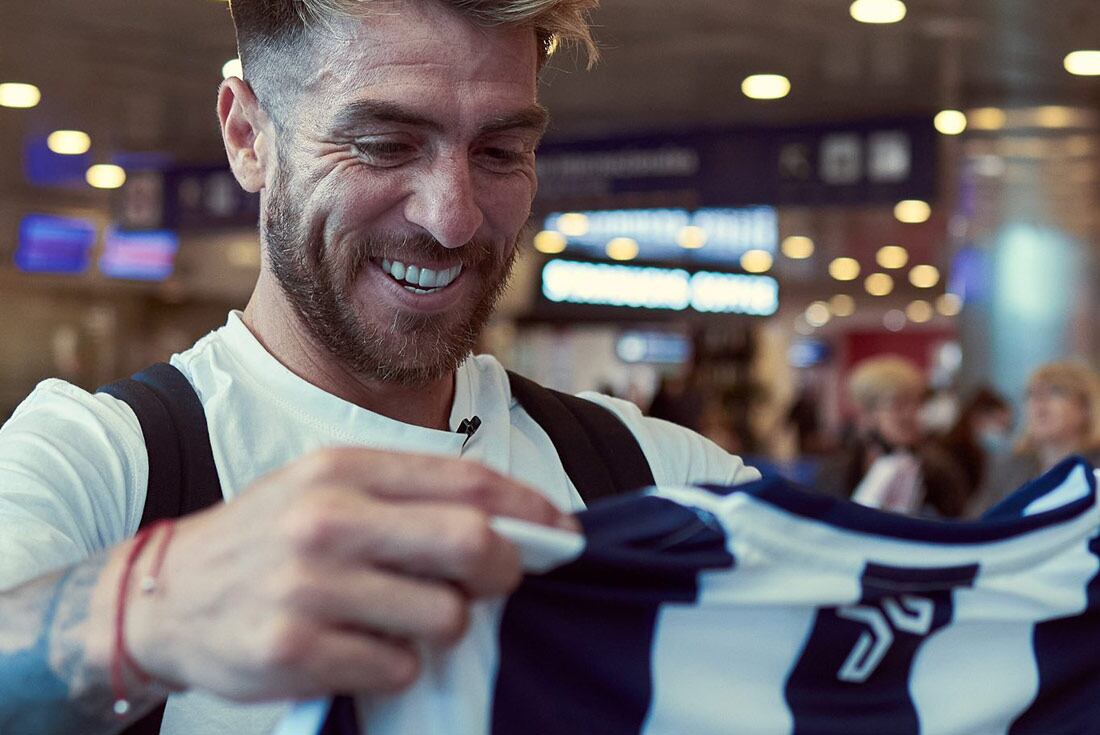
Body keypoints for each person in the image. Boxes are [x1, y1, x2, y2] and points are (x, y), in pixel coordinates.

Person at [0, 2, 759, 734]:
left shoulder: (661, 482)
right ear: (247, 134)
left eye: (500, 153)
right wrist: (150, 612)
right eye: (383, 144)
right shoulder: (99, 466)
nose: (451, 216)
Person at [816, 355, 969, 518]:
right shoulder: (839, 468)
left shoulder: (940, 468)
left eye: (916, 403)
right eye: (898, 404)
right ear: (868, 413)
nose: (911, 414)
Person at [970, 361, 1100, 516]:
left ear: (1086, 408)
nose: (1039, 400)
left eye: (1055, 391)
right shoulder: (1008, 468)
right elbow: (974, 526)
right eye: (1031, 393)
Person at [933, 386, 1013, 504]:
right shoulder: (948, 456)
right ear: (976, 418)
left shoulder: (980, 457)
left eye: (1006, 429)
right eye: (999, 425)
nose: (1001, 435)